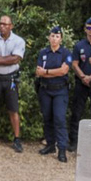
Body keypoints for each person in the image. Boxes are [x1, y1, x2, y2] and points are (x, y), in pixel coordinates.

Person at [0, 15, 26, 153]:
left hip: (11, 79)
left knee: (13, 109)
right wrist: (9, 58)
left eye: (5, 24)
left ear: (11, 26)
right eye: (0, 24)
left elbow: (16, 59)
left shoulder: (19, 41)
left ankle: (17, 139)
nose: (2, 26)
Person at [35, 26, 73, 163]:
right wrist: (49, 72)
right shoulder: (43, 53)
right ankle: (50, 145)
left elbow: (63, 71)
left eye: (57, 36)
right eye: (52, 36)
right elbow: (37, 71)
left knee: (59, 118)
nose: (54, 39)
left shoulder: (66, 53)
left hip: (60, 91)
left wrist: (46, 72)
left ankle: (62, 149)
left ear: (61, 39)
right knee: (47, 118)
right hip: (45, 90)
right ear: (49, 38)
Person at [68, 17, 91, 152]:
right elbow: (74, 63)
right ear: (85, 29)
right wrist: (82, 76)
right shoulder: (79, 45)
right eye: (89, 28)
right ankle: (73, 141)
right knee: (77, 112)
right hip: (81, 83)